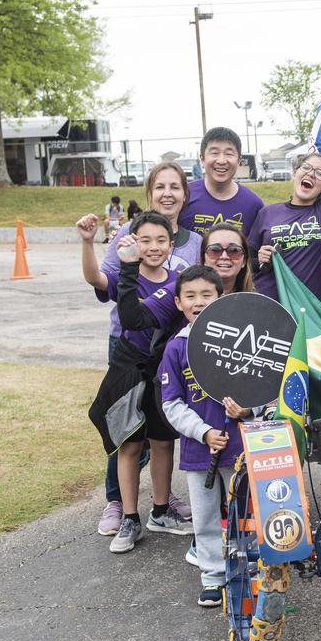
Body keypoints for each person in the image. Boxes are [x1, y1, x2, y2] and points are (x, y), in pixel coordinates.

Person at [81, 161, 200, 538]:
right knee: (129, 440)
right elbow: (97, 279)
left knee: (163, 439)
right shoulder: (125, 262)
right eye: (145, 240)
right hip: (129, 361)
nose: (153, 246)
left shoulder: (182, 273)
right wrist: (87, 243)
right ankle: (125, 512)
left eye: (161, 241)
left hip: (166, 363)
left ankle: (161, 509)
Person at [158, 264, 254, 606]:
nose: (199, 301)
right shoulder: (176, 349)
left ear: (221, 298)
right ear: (178, 303)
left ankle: (249, 572)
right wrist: (204, 432)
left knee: (247, 515)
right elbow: (172, 404)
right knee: (207, 519)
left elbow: (266, 390)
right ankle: (212, 576)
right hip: (201, 453)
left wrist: (248, 411)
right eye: (190, 295)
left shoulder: (246, 340)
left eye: (206, 294)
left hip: (243, 450)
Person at [249, 85, 321, 303]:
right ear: (295, 173)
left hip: (310, 311)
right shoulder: (268, 213)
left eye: (319, 173)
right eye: (306, 168)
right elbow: (247, 259)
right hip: (270, 306)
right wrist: (258, 258)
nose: (311, 174)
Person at [178, 127, 265, 236]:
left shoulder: (254, 205)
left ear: (239, 160)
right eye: (214, 153)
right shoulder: (183, 196)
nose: (221, 161)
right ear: (202, 158)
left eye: (229, 154)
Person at [200, 220, 255, 296]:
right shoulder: (190, 300)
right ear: (204, 258)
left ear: (244, 261)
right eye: (215, 250)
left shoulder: (256, 303)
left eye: (234, 250)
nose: (224, 256)